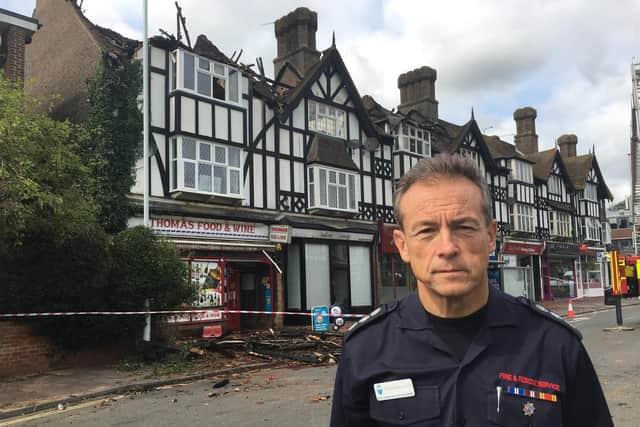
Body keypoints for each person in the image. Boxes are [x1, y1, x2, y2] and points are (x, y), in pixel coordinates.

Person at [330, 154, 612, 426]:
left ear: (490, 236)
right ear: (402, 245)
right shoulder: (365, 350)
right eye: (426, 231)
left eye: (463, 227)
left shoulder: (555, 345)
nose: (447, 248)